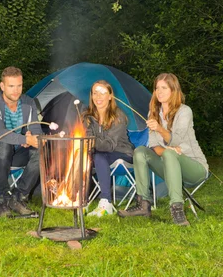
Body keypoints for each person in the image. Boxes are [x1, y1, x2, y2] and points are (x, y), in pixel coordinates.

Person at [118, 73, 209, 226]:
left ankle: (177, 209)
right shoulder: (153, 113)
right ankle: (143, 204)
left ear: (173, 90)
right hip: (169, 166)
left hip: (194, 167)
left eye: (164, 88)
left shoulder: (184, 111)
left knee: (168, 153)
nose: (159, 92)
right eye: (156, 88)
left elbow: (177, 139)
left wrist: (160, 129)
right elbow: (154, 146)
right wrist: (169, 154)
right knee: (140, 151)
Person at [0, 66, 42, 218]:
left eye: (19, 85)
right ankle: (1, 200)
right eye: (11, 86)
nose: (16, 90)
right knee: (3, 145)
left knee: (41, 150)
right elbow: (1, 134)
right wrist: (24, 139)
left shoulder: (28, 103)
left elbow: (36, 130)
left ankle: (18, 197)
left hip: (16, 152)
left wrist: (31, 137)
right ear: (2, 86)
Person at [83, 80, 134, 217]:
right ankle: (81, 199)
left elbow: (109, 145)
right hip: (101, 154)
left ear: (110, 96)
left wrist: (90, 142)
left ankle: (106, 202)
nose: (98, 97)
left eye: (102, 93)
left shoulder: (118, 116)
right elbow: (86, 139)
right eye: (95, 93)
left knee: (99, 156)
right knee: (81, 157)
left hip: (122, 153)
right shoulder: (88, 117)